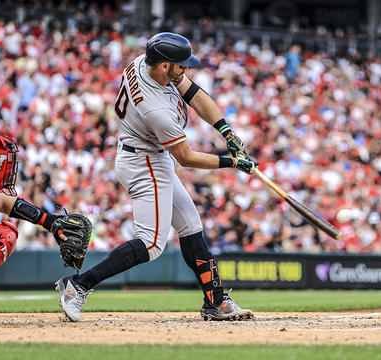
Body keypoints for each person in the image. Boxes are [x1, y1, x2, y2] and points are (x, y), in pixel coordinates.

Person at [55, 32, 258, 322]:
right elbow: (186, 157)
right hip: (144, 160)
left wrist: (227, 131)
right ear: (164, 66)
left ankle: (216, 300)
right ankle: (77, 285)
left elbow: (194, 94)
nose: (185, 70)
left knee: (190, 225)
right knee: (150, 245)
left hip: (147, 154)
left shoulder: (147, 62)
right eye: (181, 66)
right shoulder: (155, 108)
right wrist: (232, 162)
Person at [0, 127, 72, 324]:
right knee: (3, 237)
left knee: (3, 233)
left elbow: (6, 203)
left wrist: (50, 222)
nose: (0, 164)